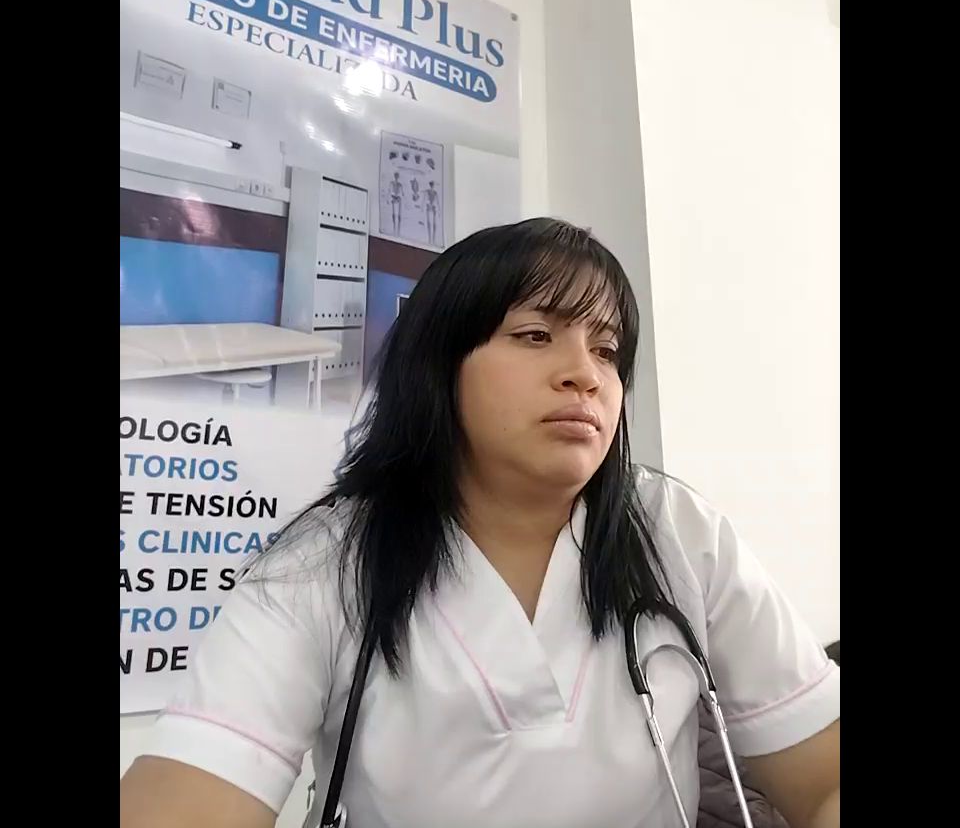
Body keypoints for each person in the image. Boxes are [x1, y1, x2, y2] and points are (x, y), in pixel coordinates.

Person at [120, 218, 840, 828]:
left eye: (607, 350)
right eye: (535, 334)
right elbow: (188, 794)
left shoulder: (678, 531)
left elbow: (823, 776)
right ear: (438, 364)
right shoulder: (324, 564)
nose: (585, 373)